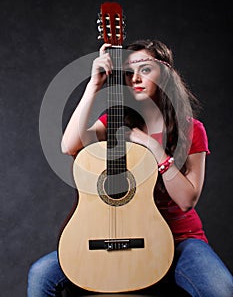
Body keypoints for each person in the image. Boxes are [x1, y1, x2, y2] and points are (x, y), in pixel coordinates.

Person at [27, 39, 233, 297]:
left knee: (220, 289)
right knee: (41, 275)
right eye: (128, 72)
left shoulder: (191, 130)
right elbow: (69, 146)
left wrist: (154, 148)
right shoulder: (115, 123)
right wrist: (94, 84)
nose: (135, 77)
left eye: (145, 69)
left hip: (180, 240)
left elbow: (186, 200)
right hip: (120, 236)